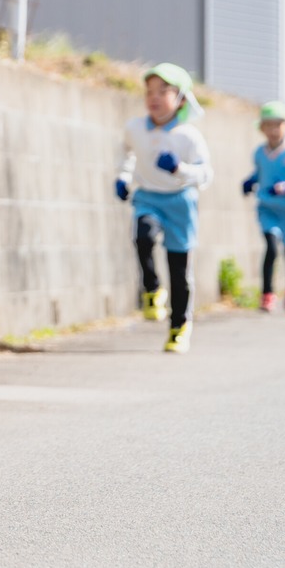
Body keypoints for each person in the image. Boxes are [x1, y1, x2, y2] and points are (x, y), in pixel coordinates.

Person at [115, 63, 213, 353]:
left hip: (180, 202)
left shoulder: (188, 136)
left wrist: (180, 169)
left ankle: (179, 327)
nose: (154, 98)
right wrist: (122, 178)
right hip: (148, 196)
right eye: (149, 92)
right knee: (143, 236)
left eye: (163, 92)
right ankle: (152, 290)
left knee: (179, 268)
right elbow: (125, 152)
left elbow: (205, 174)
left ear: (181, 99)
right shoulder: (135, 128)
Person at [242, 101, 285, 312]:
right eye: (268, 125)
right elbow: (260, 174)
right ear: (261, 128)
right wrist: (250, 181)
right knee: (271, 248)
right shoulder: (259, 154)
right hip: (267, 208)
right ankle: (267, 294)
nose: (273, 130)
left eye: (277, 124)